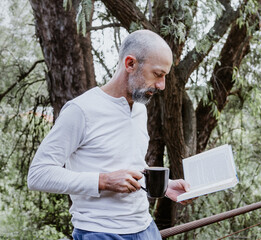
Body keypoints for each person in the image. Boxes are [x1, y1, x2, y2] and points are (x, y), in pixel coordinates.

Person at [27, 30, 192, 240]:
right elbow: (38, 175)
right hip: (100, 232)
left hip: (146, 229)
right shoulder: (80, 110)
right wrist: (103, 180)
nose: (162, 85)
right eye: (158, 74)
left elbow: (129, 163)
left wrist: (164, 186)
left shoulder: (140, 109)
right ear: (130, 64)